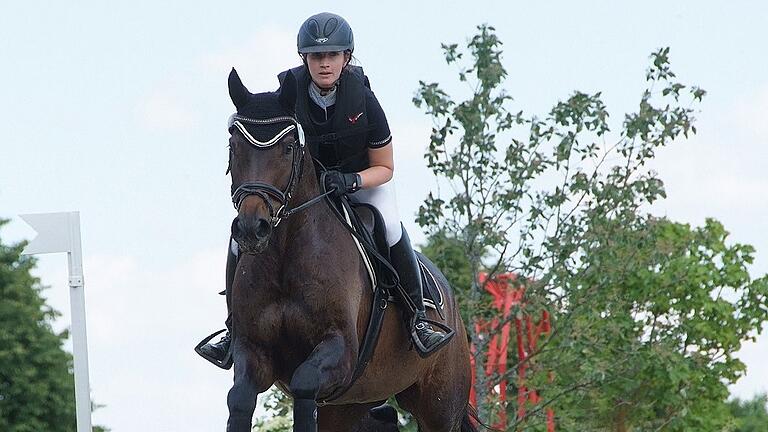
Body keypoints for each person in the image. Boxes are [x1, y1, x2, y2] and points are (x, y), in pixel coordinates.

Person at [197, 12, 453, 367]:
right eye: (317, 56)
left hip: (362, 184)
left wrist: (352, 180)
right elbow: (262, 128)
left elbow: (386, 167)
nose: (324, 63)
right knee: (239, 236)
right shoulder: (289, 94)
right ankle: (233, 329)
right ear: (305, 59)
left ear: (346, 57)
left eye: (332, 55)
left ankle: (418, 317)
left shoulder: (365, 102)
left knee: (391, 225)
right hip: (307, 192)